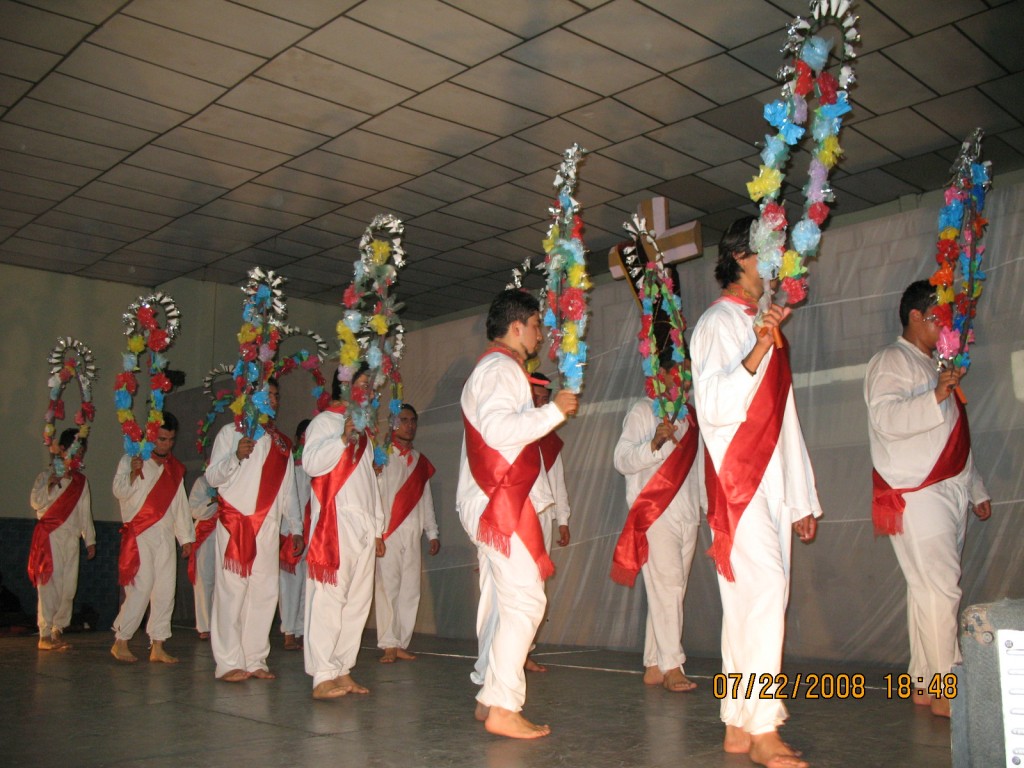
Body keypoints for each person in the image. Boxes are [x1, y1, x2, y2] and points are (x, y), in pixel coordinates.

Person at [690, 218, 821, 768]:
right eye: (773, 250)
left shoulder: (761, 322)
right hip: (737, 484)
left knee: (750, 603)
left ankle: (738, 720)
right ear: (742, 256)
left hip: (771, 483)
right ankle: (764, 728)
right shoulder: (717, 323)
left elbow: (784, 419)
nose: (781, 260)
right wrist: (756, 352)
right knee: (765, 592)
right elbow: (714, 406)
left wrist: (801, 496)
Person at [864, 279, 991, 719]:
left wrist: (976, 489)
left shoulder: (938, 365)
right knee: (942, 588)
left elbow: (954, 430)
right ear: (916, 317)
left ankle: (924, 681)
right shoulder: (890, 360)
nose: (945, 326)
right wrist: (935, 393)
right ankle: (946, 688)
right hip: (917, 491)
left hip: (949, 488)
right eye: (939, 318)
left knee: (928, 590)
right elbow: (885, 417)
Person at [457, 289, 578, 739]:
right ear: (516, 327)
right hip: (499, 499)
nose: (541, 334)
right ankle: (504, 708)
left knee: (512, 602)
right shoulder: (499, 369)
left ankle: (491, 697)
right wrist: (551, 412)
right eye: (536, 324)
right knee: (526, 601)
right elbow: (498, 429)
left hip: (497, 499)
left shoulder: (501, 369)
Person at [612, 356, 700, 693]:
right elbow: (621, 460)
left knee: (670, 592)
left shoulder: (691, 419)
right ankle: (672, 665)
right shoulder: (643, 411)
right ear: (660, 374)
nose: (683, 378)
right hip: (654, 512)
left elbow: (699, 468)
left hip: (688, 513)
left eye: (687, 372)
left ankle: (653, 662)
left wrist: (707, 507)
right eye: (678, 371)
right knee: (670, 587)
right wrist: (654, 444)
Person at [205, 379, 303, 681]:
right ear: (251, 398)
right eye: (268, 395)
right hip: (236, 523)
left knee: (264, 591)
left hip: (269, 527)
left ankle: (255, 659)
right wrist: (235, 456)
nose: (273, 400)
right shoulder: (230, 433)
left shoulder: (282, 443)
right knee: (232, 592)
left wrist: (295, 526)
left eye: (276, 395)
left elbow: (289, 491)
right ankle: (228, 662)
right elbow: (212, 477)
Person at [301, 366, 384, 700]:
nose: (369, 392)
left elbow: (369, 483)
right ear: (344, 386)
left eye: (371, 387)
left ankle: (342, 667)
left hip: (363, 523)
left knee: (357, 601)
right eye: (363, 385)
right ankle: (322, 674)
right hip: (335, 520)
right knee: (329, 598)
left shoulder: (363, 431)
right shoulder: (326, 422)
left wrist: (378, 527)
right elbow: (311, 463)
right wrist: (341, 438)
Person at [110, 412, 194, 663]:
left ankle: (158, 644)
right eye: (161, 439)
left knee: (166, 589)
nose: (166, 444)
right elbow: (119, 491)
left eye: (170, 440)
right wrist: (133, 473)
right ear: (150, 436)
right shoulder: (132, 459)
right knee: (140, 587)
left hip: (166, 535)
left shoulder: (174, 469)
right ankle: (121, 641)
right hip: (140, 535)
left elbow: (180, 504)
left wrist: (186, 537)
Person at [375, 403, 439, 663]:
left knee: (410, 589)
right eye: (404, 420)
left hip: (412, 533)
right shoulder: (381, 456)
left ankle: (401, 641)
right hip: (389, 532)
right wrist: (377, 533)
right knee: (387, 588)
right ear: (392, 423)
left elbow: (426, 499)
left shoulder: (420, 460)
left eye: (413, 421)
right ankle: (388, 643)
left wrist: (432, 532)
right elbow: (375, 496)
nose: (410, 425)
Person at [27, 428, 95, 651]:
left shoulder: (80, 482)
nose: (79, 458)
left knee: (68, 587)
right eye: (76, 452)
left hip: (71, 539)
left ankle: (58, 630)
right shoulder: (46, 476)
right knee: (50, 585)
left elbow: (85, 513)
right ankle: (44, 633)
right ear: (63, 450)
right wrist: (51, 484)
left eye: (82, 453)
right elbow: (36, 503)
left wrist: (89, 540)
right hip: (51, 538)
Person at [279, 418, 312, 652]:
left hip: (314, 531)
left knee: (307, 584)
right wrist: (293, 529)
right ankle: (288, 630)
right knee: (291, 583)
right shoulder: (292, 466)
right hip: (292, 531)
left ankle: (301, 629)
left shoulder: (318, 468)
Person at [187, 473, 218, 640]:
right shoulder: (203, 482)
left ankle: (221, 624)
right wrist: (214, 501)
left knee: (224, 581)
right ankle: (204, 625)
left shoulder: (234, 477)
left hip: (226, 534)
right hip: (205, 535)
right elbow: (193, 510)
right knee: (204, 579)